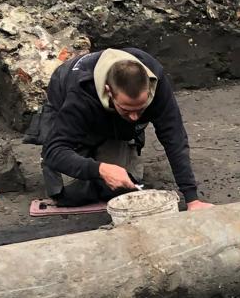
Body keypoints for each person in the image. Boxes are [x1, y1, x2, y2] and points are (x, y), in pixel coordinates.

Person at [30, 47, 214, 210]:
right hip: (71, 115)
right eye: (127, 109)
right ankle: (74, 153)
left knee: (124, 186)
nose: (134, 117)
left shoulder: (156, 80)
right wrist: (100, 169)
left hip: (113, 126)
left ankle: (113, 142)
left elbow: (174, 136)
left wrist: (192, 199)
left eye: (140, 109)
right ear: (109, 91)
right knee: (70, 193)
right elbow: (55, 151)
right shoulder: (80, 93)